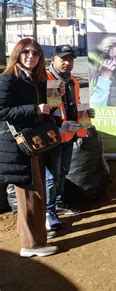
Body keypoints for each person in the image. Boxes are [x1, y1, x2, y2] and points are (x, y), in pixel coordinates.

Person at [0, 38, 58, 257]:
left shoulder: (35, 79)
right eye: (26, 52)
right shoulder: (8, 79)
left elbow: (46, 110)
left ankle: (30, 235)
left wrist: (54, 98)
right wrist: (34, 108)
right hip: (19, 145)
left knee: (34, 190)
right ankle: (31, 245)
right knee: (30, 193)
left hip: (34, 142)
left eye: (35, 53)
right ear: (17, 54)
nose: (31, 57)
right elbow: (1, 111)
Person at [45, 45, 95, 230]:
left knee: (63, 171)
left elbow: (75, 105)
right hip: (53, 136)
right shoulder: (48, 79)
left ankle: (59, 203)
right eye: (63, 59)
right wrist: (60, 126)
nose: (67, 62)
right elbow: (49, 111)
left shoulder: (72, 81)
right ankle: (49, 212)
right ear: (53, 60)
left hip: (69, 134)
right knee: (52, 176)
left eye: (70, 59)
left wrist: (85, 117)